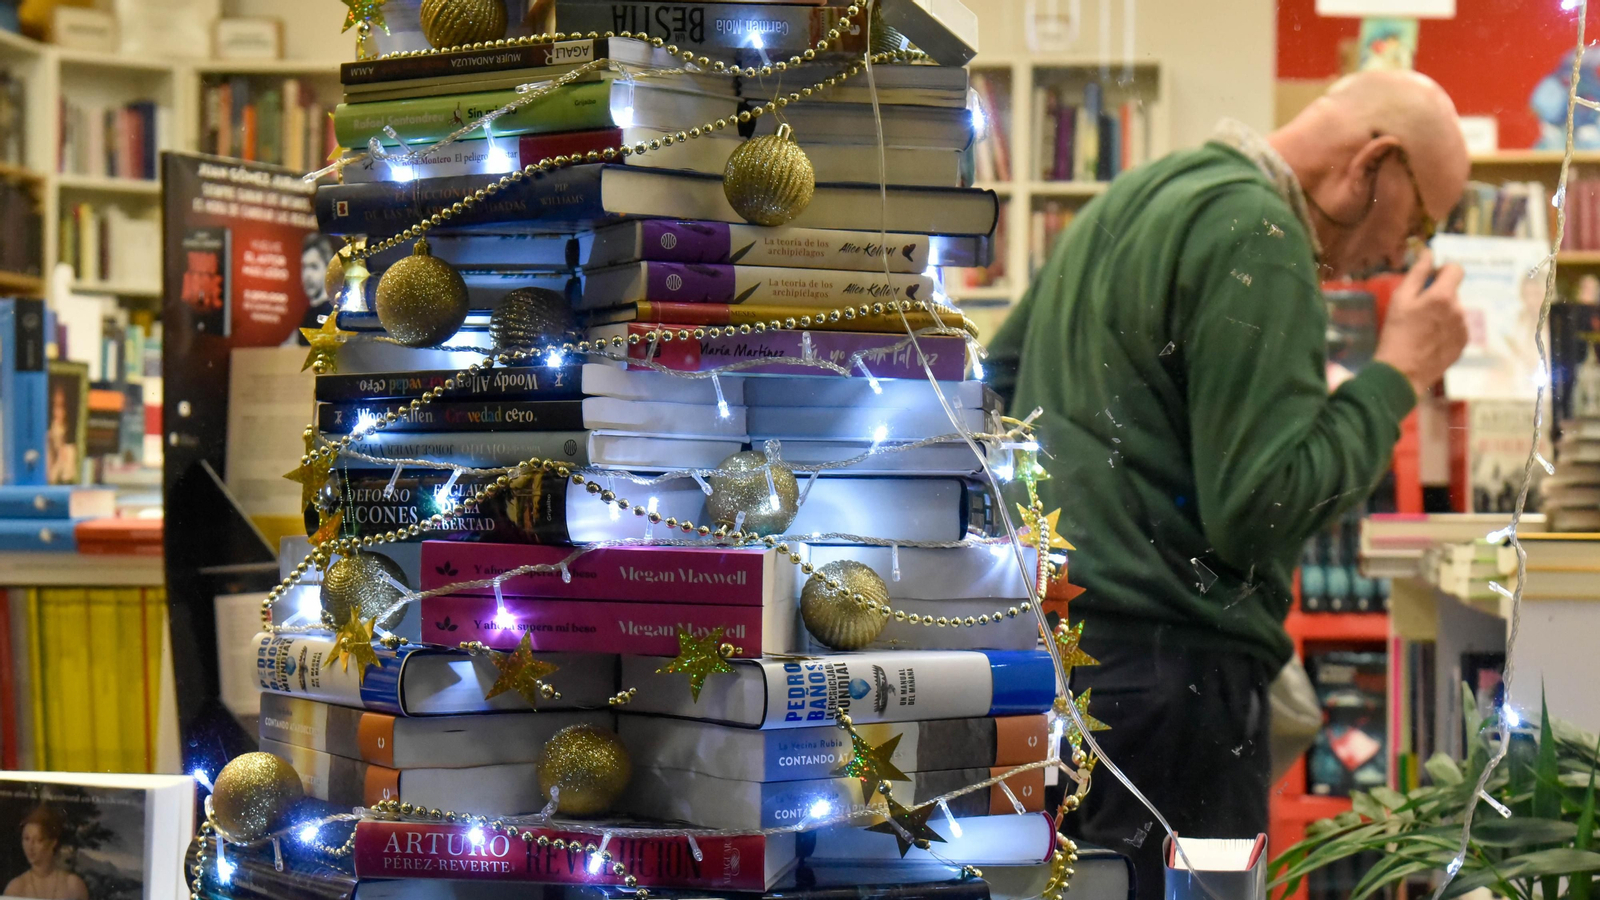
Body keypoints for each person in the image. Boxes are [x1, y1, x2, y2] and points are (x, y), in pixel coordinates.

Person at [986, 70, 1471, 898]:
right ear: (1373, 165)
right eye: (1419, 220)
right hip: (1182, 690)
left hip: (1062, 657)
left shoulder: (1135, 195)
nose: (1401, 253)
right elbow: (1264, 505)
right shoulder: (1263, 235)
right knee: (1202, 890)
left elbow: (999, 379)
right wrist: (1396, 375)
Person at [4, 806, 87, 900]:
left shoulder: (73, 885)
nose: (30, 846)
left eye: (38, 840)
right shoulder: (16, 888)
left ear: (53, 843)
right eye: (26, 839)